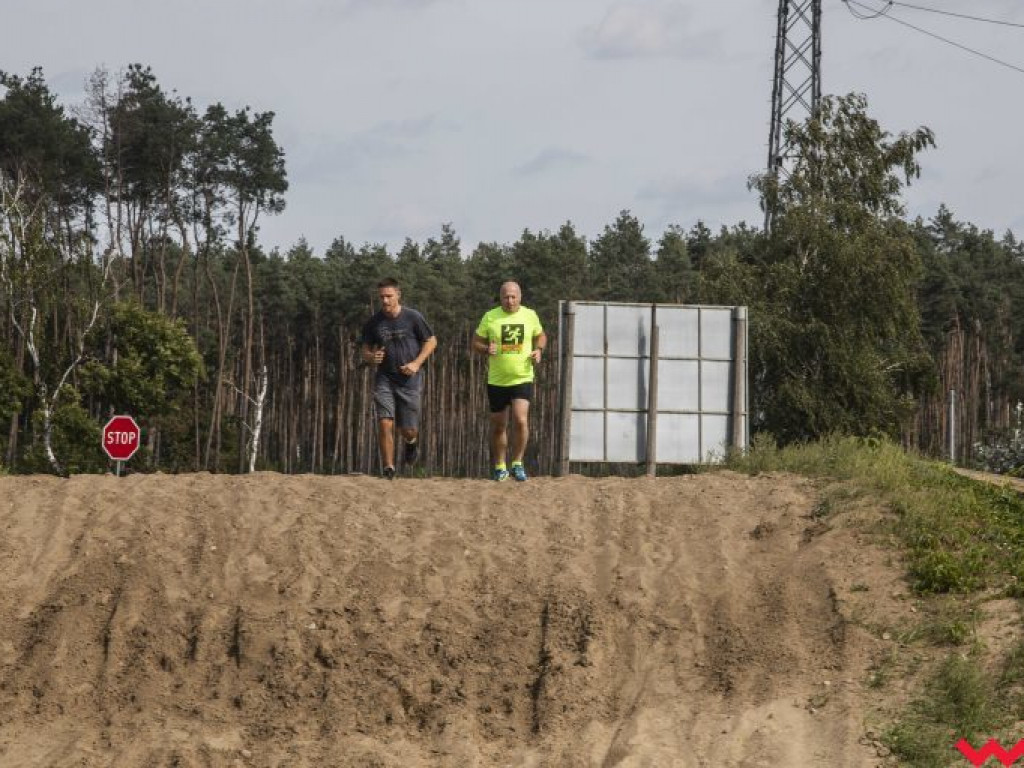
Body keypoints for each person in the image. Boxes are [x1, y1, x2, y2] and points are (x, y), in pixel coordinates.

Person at [360, 277, 437, 479]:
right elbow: (365, 350)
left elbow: (431, 341)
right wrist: (371, 357)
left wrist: (416, 363)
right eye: (381, 297)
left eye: (389, 296)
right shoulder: (373, 322)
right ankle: (389, 468)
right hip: (384, 377)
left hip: (409, 380)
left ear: (398, 295)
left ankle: (411, 444)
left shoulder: (413, 317)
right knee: (385, 422)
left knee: (408, 430)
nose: (385, 301)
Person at [472, 281, 547, 482]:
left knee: (521, 419)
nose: (510, 300)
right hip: (497, 380)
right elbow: (476, 342)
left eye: (513, 296)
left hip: (522, 376)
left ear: (520, 297)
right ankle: (499, 465)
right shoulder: (491, 316)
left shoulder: (530, 315)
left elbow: (541, 336)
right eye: (506, 296)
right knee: (499, 426)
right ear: (501, 297)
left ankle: (517, 463)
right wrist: (486, 349)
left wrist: (538, 350)